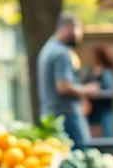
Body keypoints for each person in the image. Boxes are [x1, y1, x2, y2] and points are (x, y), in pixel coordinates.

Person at [37, 13, 99, 149]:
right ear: (68, 28)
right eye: (79, 30)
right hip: (67, 115)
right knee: (82, 155)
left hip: (51, 114)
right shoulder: (62, 53)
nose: (80, 36)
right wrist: (88, 90)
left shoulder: (47, 48)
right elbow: (63, 87)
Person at [83, 44, 113, 138]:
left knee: (108, 137)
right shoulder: (88, 71)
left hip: (105, 110)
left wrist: (99, 93)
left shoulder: (106, 72)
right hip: (91, 112)